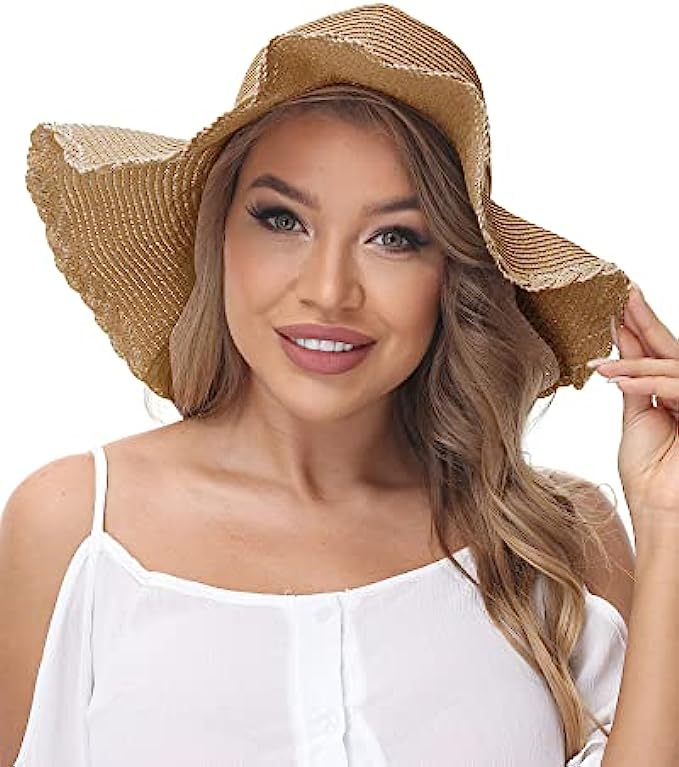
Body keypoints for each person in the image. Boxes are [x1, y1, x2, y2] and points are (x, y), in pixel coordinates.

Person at [2, 5, 678, 766]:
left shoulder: (557, 543)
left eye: (395, 237)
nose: (329, 291)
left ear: (450, 276)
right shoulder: (80, 529)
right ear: (218, 237)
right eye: (281, 219)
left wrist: (668, 521)